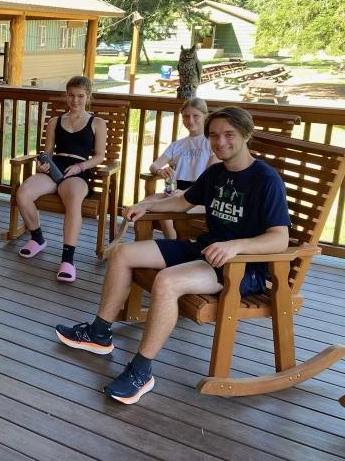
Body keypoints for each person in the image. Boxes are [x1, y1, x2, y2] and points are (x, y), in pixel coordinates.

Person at [54, 106, 290, 404]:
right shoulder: (216, 173)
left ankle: (141, 370)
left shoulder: (265, 179)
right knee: (123, 254)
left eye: (229, 134)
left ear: (246, 135)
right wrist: (146, 206)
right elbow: (182, 203)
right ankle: (99, 334)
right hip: (204, 249)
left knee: (167, 281)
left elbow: (280, 238)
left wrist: (235, 246)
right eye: (214, 135)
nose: (220, 142)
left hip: (241, 267)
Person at [15, 76, 108, 282]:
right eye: (71, 95)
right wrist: (43, 164)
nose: (75, 100)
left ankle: (68, 259)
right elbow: (48, 152)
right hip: (55, 169)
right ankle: (37, 239)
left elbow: (99, 156)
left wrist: (79, 167)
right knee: (23, 193)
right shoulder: (55, 122)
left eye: (80, 96)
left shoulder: (97, 123)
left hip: (78, 171)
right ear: (66, 95)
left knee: (73, 199)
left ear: (88, 96)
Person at [147, 98, 218, 239]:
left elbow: (210, 177)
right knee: (147, 202)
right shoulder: (177, 145)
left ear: (205, 116)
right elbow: (154, 166)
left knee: (160, 206)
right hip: (176, 191)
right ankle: (172, 241)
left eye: (196, 116)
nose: (190, 121)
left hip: (199, 194)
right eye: (186, 116)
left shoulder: (211, 143)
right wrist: (160, 171)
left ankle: (173, 244)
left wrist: (184, 193)